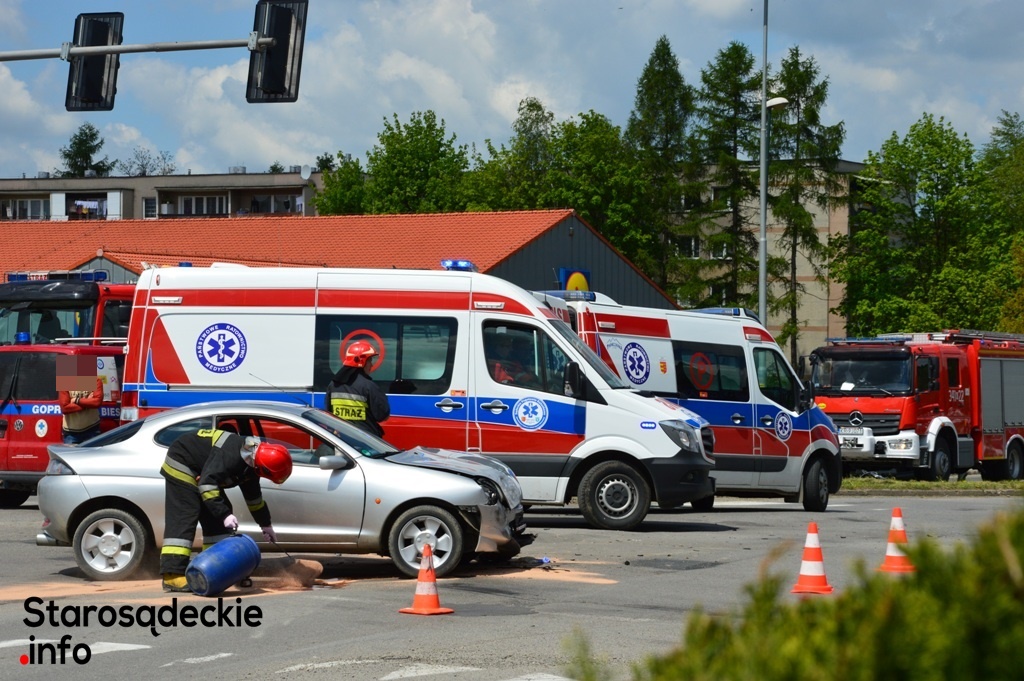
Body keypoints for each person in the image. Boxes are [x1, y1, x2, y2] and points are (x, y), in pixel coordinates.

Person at [159, 428, 293, 593]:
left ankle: (211, 568)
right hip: (183, 462)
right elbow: (207, 484)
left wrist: (265, 525)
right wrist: (225, 515)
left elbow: (254, 500)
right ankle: (172, 575)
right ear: (264, 468)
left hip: (204, 473)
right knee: (185, 514)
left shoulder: (252, 462)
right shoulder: (232, 456)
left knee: (217, 517)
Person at [325, 340, 390, 437]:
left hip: (341, 438)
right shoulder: (369, 386)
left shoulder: (333, 385)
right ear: (362, 361)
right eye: (370, 361)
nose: (371, 365)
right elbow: (383, 416)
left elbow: (329, 414)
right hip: (366, 440)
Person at [58, 376, 103, 444]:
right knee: (70, 452)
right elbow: (65, 408)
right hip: (71, 433)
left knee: (94, 451)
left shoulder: (95, 380)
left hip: (92, 429)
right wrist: (88, 402)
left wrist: (76, 400)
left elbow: (97, 402)